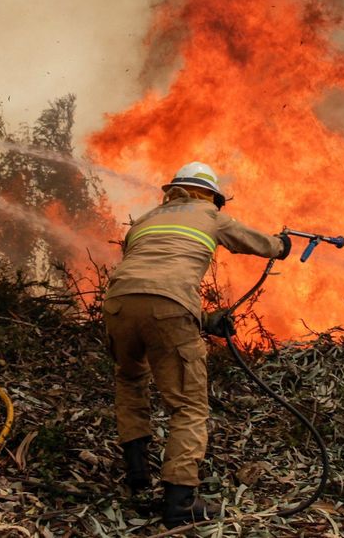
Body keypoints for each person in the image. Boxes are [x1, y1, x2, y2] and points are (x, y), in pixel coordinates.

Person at [102, 162, 290, 527]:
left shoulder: (143, 220)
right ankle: (180, 501)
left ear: (172, 190)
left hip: (118, 304)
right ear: (211, 195)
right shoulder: (211, 215)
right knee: (188, 406)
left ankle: (138, 478)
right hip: (168, 308)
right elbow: (259, 243)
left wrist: (206, 320)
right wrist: (282, 246)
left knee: (129, 378)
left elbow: (149, 287)